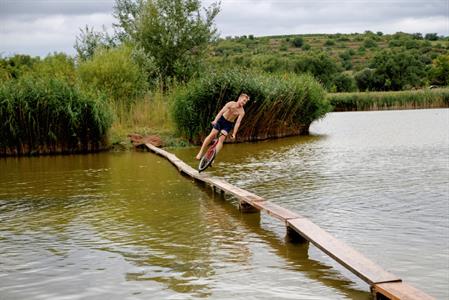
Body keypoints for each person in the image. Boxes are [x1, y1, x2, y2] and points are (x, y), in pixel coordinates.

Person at [195, 93, 250, 160]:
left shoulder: (242, 112)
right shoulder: (230, 104)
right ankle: (200, 153)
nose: (244, 102)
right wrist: (215, 120)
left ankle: (212, 158)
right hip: (221, 120)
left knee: (221, 140)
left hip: (228, 125)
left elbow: (237, 123)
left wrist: (234, 134)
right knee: (212, 135)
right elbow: (221, 112)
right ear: (239, 98)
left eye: (245, 102)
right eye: (243, 100)